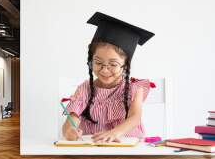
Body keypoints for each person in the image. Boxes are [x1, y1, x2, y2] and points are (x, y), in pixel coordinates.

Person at [62, 12, 155, 142]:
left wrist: (115, 133)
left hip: (128, 148)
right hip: (95, 151)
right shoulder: (85, 89)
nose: (105, 70)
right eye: (98, 63)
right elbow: (72, 118)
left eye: (113, 64)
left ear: (126, 66)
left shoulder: (135, 88)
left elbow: (135, 118)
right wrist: (69, 130)